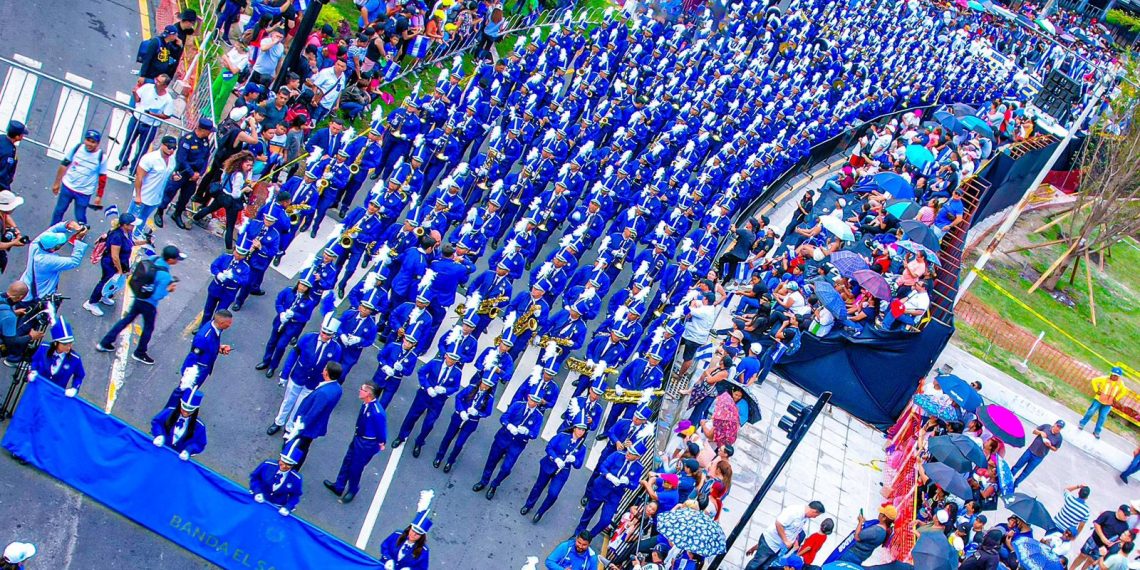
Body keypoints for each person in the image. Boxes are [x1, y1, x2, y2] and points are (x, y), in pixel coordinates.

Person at [95, 245, 185, 365]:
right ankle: (140, 352)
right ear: (170, 260)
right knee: (148, 328)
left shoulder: (153, 258)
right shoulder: (165, 276)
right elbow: (157, 295)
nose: (177, 261)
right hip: (149, 304)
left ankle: (105, 342)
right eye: (176, 259)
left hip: (139, 296)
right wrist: (169, 288)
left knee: (126, 320)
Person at [267, 314, 343, 436]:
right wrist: (285, 374)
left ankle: (290, 427)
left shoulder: (336, 349)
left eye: (328, 334)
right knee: (288, 401)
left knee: (300, 406)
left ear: (333, 335)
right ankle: (279, 422)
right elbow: (293, 355)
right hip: (298, 376)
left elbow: (331, 369)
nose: (324, 336)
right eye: (323, 332)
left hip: (314, 382)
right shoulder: (308, 338)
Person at [324, 382, 387, 503]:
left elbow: (381, 431)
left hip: (367, 444)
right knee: (347, 461)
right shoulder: (366, 404)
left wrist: (380, 444)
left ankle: (352, 490)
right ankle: (339, 485)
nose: (359, 391)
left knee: (356, 468)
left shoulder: (377, 413)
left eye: (362, 389)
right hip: (358, 438)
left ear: (368, 394)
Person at [522, 416, 589, 524]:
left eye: (583, 430)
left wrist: (574, 459)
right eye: (579, 429)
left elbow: (578, 465)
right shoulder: (562, 436)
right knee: (538, 486)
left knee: (553, 494)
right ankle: (528, 505)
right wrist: (556, 458)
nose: (581, 432)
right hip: (550, 464)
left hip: (563, 471)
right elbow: (549, 447)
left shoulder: (582, 446)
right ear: (574, 428)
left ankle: (541, 512)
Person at [284, 361, 343, 469]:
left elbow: (313, 412)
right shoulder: (337, 388)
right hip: (318, 423)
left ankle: (293, 467)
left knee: (299, 447)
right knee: (304, 446)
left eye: (325, 368)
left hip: (309, 426)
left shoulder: (323, 393)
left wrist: (299, 427)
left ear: (326, 373)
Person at [192, 150, 254, 251]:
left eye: (251, 165)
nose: (250, 167)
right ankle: (229, 250)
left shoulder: (229, 168)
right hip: (231, 201)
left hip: (222, 195)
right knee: (230, 226)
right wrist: (245, 189)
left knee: (209, 209)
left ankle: (192, 220)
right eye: (248, 165)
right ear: (241, 163)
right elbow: (235, 194)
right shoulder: (239, 175)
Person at [158, 118, 214, 229]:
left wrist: (200, 173)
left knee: (186, 196)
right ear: (202, 130)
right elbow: (182, 159)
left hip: (194, 176)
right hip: (182, 173)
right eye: (209, 130)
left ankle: (177, 213)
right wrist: (191, 173)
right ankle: (159, 211)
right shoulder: (187, 139)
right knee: (170, 192)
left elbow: (205, 158)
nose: (210, 133)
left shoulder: (205, 141)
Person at [82, 213, 137, 316]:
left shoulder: (127, 232)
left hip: (119, 263)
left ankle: (104, 296)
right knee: (105, 282)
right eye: (132, 224)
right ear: (125, 225)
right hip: (111, 265)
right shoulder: (117, 236)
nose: (133, 226)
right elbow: (115, 257)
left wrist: (146, 242)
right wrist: (120, 270)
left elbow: (131, 242)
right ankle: (91, 303)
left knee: (111, 283)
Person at [745, 501, 827, 570]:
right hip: (771, 543)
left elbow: (796, 530)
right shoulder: (794, 512)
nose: (815, 517)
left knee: (765, 566)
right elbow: (779, 523)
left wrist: (796, 540)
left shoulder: (804, 517)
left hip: (778, 547)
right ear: (814, 511)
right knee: (756, 564)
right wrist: (786, 541)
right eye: (816, 515)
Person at [117, 74, 174, 173]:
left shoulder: (168, 99)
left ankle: (134, 168)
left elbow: (167, 115)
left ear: (165, 86)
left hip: (150, 126)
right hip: (136, 120)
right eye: (156, 80)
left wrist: (153, 115)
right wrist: (135, 93)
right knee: (128, 142)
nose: (156, 83)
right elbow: (138, 99)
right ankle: (123, 161)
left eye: (159, 82)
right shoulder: (147, 87)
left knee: (142, 149)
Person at [50, 129, 107, 225]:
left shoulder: (101, 157)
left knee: (80, 215)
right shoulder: (77, 148)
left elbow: (102, 177)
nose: (89, 144)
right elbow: (64, 164)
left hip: (84, 192)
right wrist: (57, 183)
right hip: (68, 186)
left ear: (98, 143)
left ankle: (81, 232)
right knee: (59, 210)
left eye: (93, 142)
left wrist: (99, 196)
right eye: (88, 140)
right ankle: (52, 229)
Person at [21, 221, 90, 299]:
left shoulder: (36, 243)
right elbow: (74, 262)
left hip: (25, 286)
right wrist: (79, 240)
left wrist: (68, 225)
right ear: (53, 248)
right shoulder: (47, 261)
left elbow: (54, 229)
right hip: (39, 295)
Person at [130, 135, 178, 232]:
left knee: (142, 220)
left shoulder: (172, 159)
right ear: (162, 145)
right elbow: (139, 177)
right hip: (143, 197)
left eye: (174, 148)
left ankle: (135, 238)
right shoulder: (150, 159)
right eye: (169, 147)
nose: (171, 150)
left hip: (156, 198)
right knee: (130, 221)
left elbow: (168, 172)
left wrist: (173, 176)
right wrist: (138, 196)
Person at [28, 316, 84, 396]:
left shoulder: (75, 359)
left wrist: (75, 388)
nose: (69, 347)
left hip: (55, 395)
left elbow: (79, 375)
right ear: (55, 343)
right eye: (65, 344)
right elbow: (35, 361)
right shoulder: (44, 347)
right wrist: (32, 371)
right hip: (37, 389)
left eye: (70, 343)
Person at [249, 439, 305, 517]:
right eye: (283, 462)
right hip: (258, 498)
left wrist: (287, 507)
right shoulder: (267, 465)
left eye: (288, 464)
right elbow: (255, 478)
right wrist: (257, 491)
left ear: (293, 465)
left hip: (276, 507)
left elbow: (295, 496)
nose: (284, 466)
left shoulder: (296, 479)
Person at [150, 388, 208, 460]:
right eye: (183, 409)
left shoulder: (199, 426)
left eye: (189, 411)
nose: (185, 413)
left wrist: (188, 450)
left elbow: (200, 443)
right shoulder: (169, 412)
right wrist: (159, 434)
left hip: (178, 458)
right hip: (158, 449)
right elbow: (157, 422)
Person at [1070, 505, 1133, 570]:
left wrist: (1112, 544)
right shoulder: (1108, 514)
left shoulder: (1125, 526)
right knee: (1082, 555)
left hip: (1103, 547)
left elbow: (1120, 538)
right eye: (1125, 515)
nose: (1126, 517)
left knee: (1091, 560)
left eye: (1128, 515)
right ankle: (1072, 568)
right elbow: (1096, 523)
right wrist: (1102, 536)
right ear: (1120, 511)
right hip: (1094, 539)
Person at [1010, 420, 1064, 488]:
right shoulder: (1046, 427)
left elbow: (1055, 449)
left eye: (1060, 428)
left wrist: (1049, 446)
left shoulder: (1059, 438)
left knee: (1026, 472)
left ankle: (1015, 484)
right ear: (1054, 424)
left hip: (1039, 457)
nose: (1058, 428)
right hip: (1030, 451)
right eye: (1057, 426)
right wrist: (1040, 432)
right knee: (1017, 466)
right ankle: (1008, 478)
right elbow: (1034, 431)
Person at [0, 282, 43, 363]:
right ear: (20, 297)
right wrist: (31, 337)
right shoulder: (9, 317)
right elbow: (11, 343)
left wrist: (14, 312)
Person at [1078, 367, 1126, 439]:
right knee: (1091, 411)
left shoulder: (1120, 384)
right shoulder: (1104, 379)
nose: (1114, 376)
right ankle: (1082, 423)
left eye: (1116, 376)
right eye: (1113, 374)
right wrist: (1096, 390)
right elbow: (1094, 381)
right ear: (1111, 373)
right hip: (1098, 400)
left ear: (1119, 377)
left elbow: (1124, 391)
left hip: (1108, 403)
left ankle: (1097, 431)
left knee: (1103, 417)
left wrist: (1116, 398)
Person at [0, 121, 26, 192]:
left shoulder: (1, 138)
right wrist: (5, 190)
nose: (23, 136)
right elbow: (3, 174)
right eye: (22, 135)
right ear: (17, 136)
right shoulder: (8, 153)